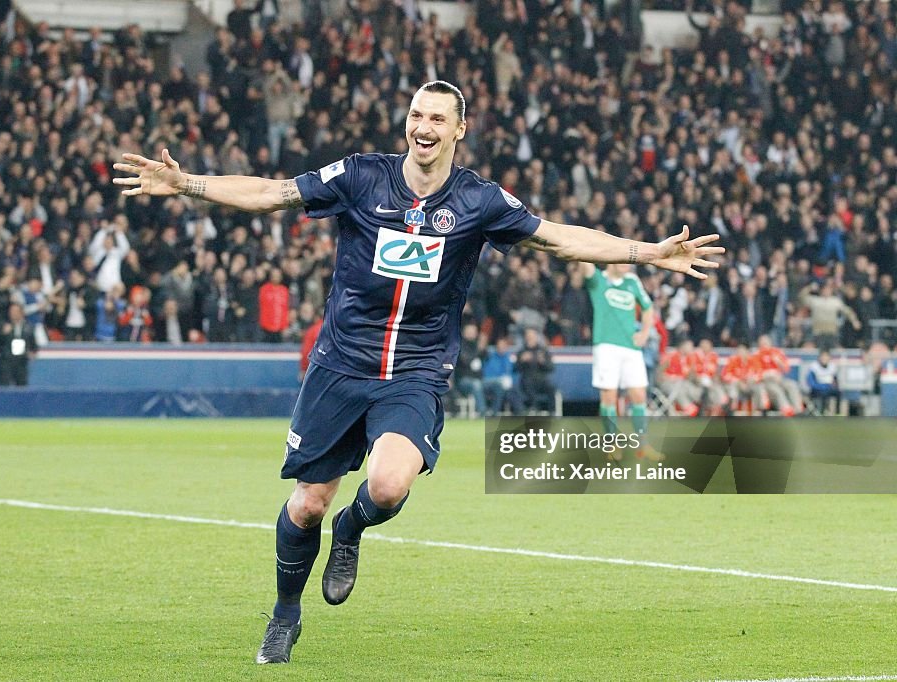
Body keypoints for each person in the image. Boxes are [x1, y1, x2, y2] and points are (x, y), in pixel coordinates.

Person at [113, 80, 723, 665]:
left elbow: (558, 239)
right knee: (305, 507)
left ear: (459, 130)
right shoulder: (359, 176)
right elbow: (273, 192)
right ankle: (284, 612)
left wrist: (648, 252)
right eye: (415, 115)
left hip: (416, 370)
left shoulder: (479, 201)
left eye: (436, 118)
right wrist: (187, 183)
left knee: (387, 486)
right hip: (341, 365)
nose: (422, 126)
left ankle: (351, 531)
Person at [580, 260, 662, 461]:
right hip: (606, 346)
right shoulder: (598, 279)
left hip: (631, 347)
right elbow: (583, 261)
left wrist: (644, 333)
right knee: (609, 396)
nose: (627, 264)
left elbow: (648, 308)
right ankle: (611, 444)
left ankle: (642, 445)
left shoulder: (632, 281)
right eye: (622, 259)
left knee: (639, 396)